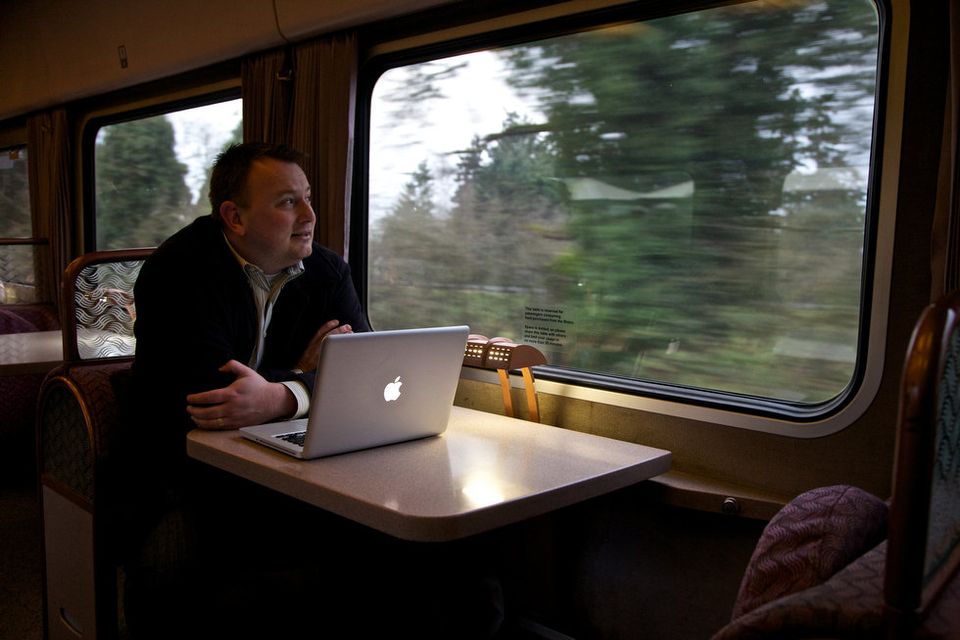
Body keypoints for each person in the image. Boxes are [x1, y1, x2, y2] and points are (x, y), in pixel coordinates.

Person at [122, 142, 371, 636]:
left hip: (291, 461)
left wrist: (283, 394)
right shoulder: (178, 271)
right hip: (182, 466)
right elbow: (215, 399)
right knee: (178, 573)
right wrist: (305, 374)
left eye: (307, 197)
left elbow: (366, 372)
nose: (309, 214)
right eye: (286, 202)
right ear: (234, 217)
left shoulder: (327, 273)